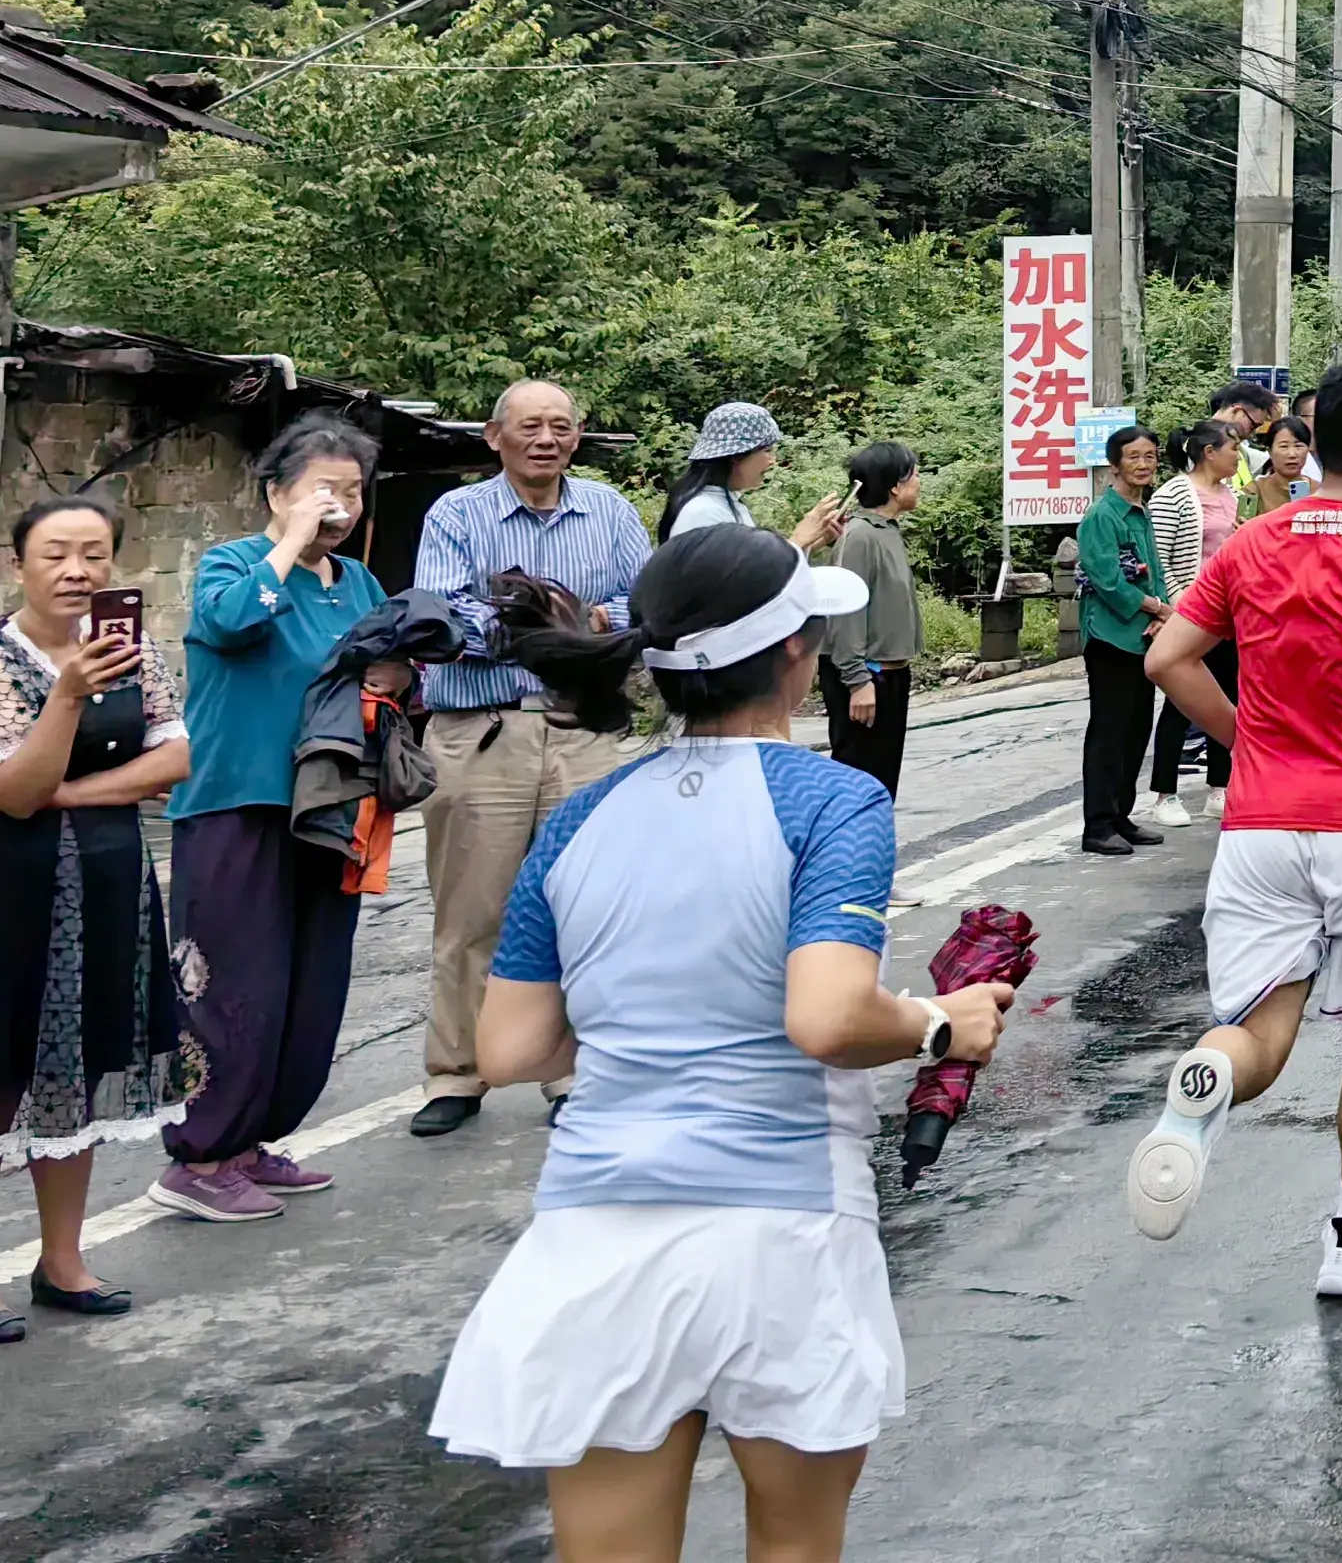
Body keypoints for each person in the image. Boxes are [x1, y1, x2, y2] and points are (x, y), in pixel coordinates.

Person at [427, 524, 1011, 1557]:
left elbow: (509, 1049)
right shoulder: (836, 800)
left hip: (598, 1231)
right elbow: (827, 1017)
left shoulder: (582, 817)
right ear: (797, 654)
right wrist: (936, 1023)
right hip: (780, 1228)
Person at [1127, 354, 1342, 1294]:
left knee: (1259, 1034)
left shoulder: (1252, 542)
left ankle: (1204, 1079)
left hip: (1264, 826)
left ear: (1312, 442)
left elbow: (1167, 658)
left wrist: (1246, 737)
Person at [0, 497, 190, 1339]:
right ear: (18, 567)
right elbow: (9, 792)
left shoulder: (136, 648)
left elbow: (179, 756)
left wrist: (68, 793)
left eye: (94, 554)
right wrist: (70, 697)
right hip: (2, 897)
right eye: (56, 555)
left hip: (109, 885)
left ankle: (62, 1260)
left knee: (76, 1074)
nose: (78, 571)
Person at [157, 415, 389, 1222]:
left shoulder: (357, 585)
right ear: (276, 492)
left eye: (353, 492)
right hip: (236, 802)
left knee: (308, 984)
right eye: (323, 489)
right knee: (230, 985)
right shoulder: (233, 565)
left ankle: (252, 1140)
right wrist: (287, 544)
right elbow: (231, 622)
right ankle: (198, 1154)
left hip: (326, 805)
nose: (341, 506)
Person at [407, 380, 652, 1140]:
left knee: (586, 906)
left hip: (583, 729)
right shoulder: (457, 514)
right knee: (471, 912)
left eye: (560, 427)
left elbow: (640, 606)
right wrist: (566, 622)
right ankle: (457, 1071)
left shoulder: (609, 511)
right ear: (494, 437)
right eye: (529, 427)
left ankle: (572, 1070)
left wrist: (545, 614)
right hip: (483, 729)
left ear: (577, 437)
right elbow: (441, 617)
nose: (546, 439)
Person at [1146, 420, 1249, 830]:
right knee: (1180, 703)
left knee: (1227, 697)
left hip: (1227, 615)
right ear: (1209, 452)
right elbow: (1158, 557)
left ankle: (1219, 790)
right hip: (1190, 614)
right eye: (1232, 449)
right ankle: (1164, 794)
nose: (1237, 457)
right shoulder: (1174, 494)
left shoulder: (1231, 496)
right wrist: (1179, 606)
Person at [1073, 424, 1166, 857]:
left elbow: (1155, 573)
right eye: (1134, 457)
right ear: (1114, 465)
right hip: (1110, 638)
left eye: (1150, 456)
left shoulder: (1141, 511)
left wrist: (1163, 616)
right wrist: (1155, 608)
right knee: (1109, 732)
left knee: (1135, 730)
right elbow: (1107, 582)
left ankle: (1121, 815)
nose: (1144, 464)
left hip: (1144, 637)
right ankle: (1097, 825)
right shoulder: (1100, 516)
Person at [813, 444, 925, 799]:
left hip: (889, 674)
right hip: (866, 675)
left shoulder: (884, 529)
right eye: (914, 474)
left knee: (881, 782)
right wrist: (858, 680)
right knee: (859, 780)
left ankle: (872, 851)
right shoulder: (860, 535)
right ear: (895, 486)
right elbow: (845, 611)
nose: (919, 482)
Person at [654, 402, 847, 551]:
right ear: (736, 456)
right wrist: (798, 538)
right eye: (767, 450)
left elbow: (753, 566)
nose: (773, 460)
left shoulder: (724, 502)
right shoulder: (702, 513)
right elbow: (742, 583)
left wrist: (815, 541)